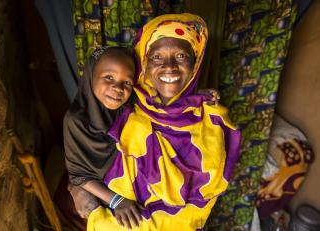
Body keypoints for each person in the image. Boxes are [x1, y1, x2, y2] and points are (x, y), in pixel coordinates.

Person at [86, 13, 241, 230]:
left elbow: (202, 202)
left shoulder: (212, 121)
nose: (169, 67)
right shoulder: (120, 105)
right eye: (157, 57)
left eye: (181, 56)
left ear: (195, 64)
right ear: (144, 63)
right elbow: (81, 168)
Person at [63, 46, 144, 227]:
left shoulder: (132, 109)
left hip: (130, 187)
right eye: (109, 77)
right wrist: (117, 201)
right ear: (92, 75)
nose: (118, 88)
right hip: (103, 195)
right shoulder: (77, 120)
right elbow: (78, 176)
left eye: (127, 82)